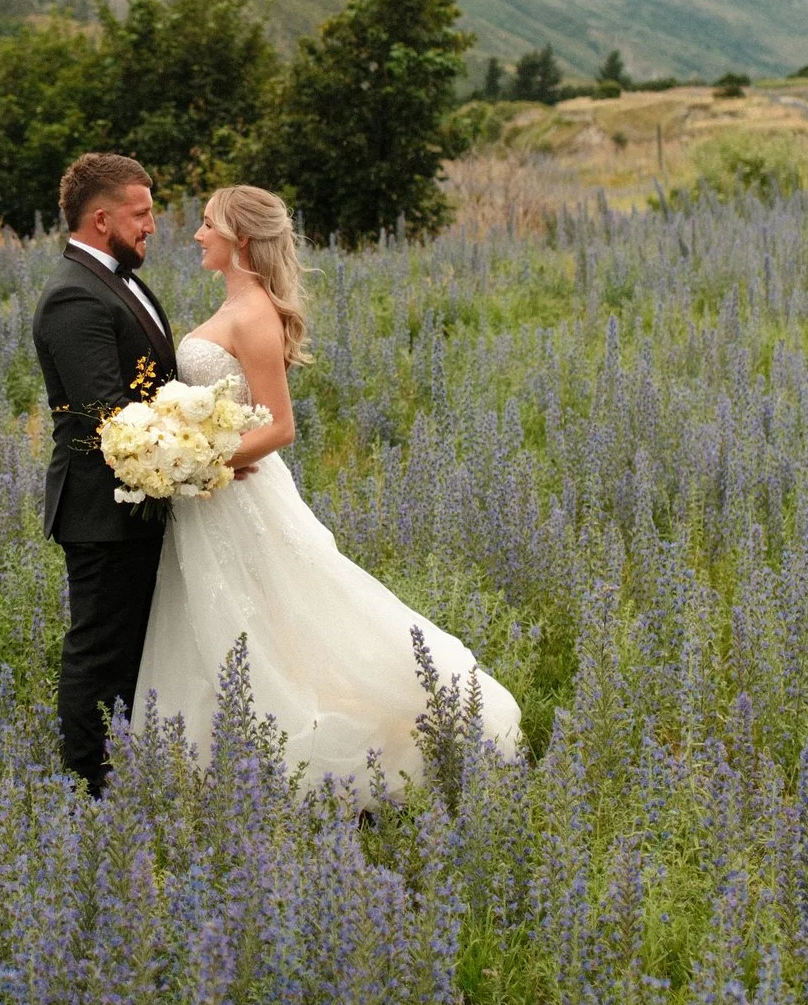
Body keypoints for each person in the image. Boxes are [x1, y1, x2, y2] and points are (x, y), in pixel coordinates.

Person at [133, 184, 519, 784]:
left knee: (283, 616)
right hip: (212, 495)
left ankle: (332, 748)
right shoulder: (233, 307)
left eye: (208, 224)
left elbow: (280, 425)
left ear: (239, 238)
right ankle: (218, 762)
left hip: (238, 492)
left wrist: (201, 462)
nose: (197, 234)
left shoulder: (256, 313)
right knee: (227, 619)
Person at [30, 152, 176, 791]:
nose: (151, 225)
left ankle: (123, 768)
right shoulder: (72, 296)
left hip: (140, 500)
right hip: (103, 508)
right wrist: (192, 454)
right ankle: (88, 786)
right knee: (99, 652)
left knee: (130, 650)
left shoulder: (118, 280)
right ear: (100, 218)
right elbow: (105, 416)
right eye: (140, 213)